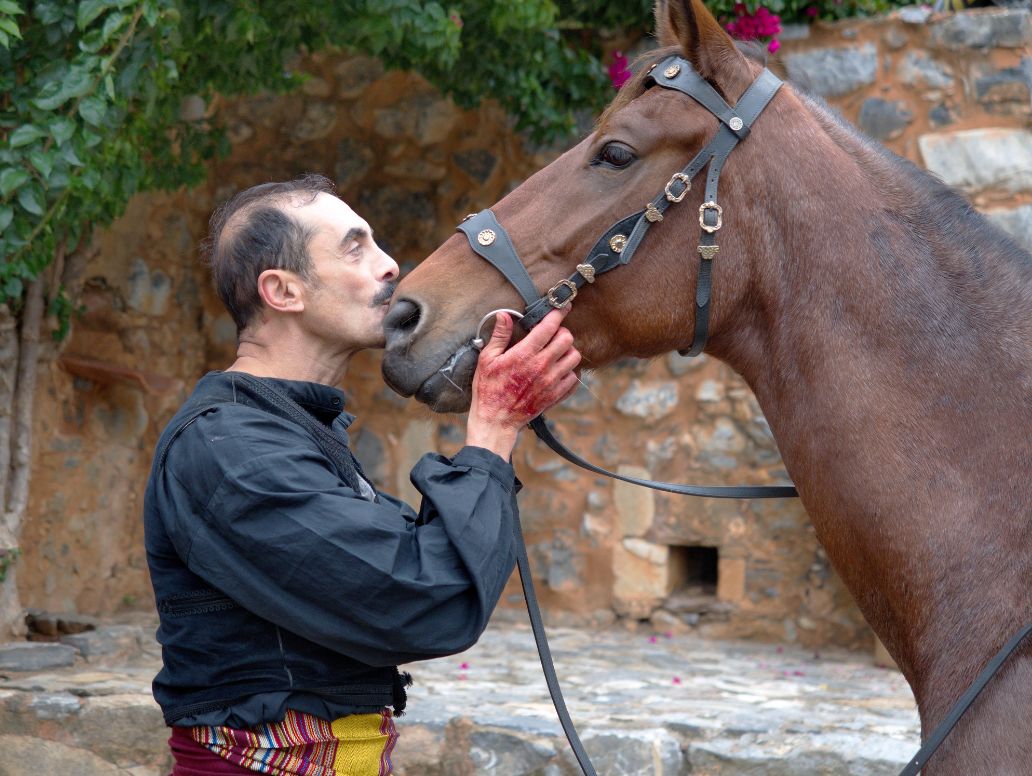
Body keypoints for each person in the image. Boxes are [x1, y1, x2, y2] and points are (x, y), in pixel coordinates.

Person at [143, 174, 581, 776]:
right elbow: (429, 600)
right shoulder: (230, 450)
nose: (389, 265)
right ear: (282, 290)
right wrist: (493, 432)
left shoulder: (287, 433)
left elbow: (423, 566)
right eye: (355, 247)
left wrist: (495, 432)